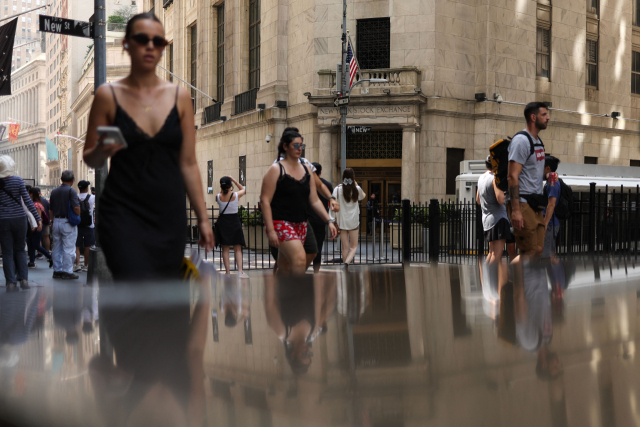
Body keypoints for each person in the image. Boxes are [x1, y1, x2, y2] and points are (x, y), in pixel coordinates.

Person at [83, 12, 213, 281]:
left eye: (159, 41)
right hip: (122, 214)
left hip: (168, 215)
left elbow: (188, 162)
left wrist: (202, 218)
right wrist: (104, 147)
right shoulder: (108, 95)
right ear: (127, 45)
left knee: (166, 302)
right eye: (142, 39)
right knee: (135, 290)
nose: (151, 46)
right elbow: (91, 158)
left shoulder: (180, 97)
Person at [260, 129, 337, 275]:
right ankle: (297, 295)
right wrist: (270, 230)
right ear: (285, 146)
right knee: (300, 259)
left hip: (300, 223)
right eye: (296, 145)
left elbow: (314, 200)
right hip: (280, 222)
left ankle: (279, 292)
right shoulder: (276, 169)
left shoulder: (307, 170)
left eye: (301, 145)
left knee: (286, 265)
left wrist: (329, 220)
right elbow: (265, 201)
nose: (299, 149)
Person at [507, 101, 549, 261]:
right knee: (529, 251)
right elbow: (512, 176)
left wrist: (547, 177)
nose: (548, 118)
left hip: (535, 203)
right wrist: (516, 210)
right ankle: (516, 284)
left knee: (537, 249)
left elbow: (531, 172)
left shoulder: (537, 142)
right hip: (523, 204)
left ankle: (521, 283)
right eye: (544, 114)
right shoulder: (521, 141)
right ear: (533, 117)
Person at [0, 155, 41, 290]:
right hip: (20, 219)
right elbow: (28, 202)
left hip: (3, 220)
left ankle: (10, 282)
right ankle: (24, 280)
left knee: (7, 252)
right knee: (20, 250)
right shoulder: (18, 180)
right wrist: (37, 218)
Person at [476, 155, 514, 287]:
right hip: (498, 219)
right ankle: (491, 283)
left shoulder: (481, 178)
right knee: (497, 255)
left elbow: (478, 200)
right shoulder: (495, 179)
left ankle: (487, 283)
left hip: (486, 220)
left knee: (491, 253)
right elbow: (501, 199)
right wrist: (507, 193)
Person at [329, 168, 366, 268]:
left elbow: (332, 204)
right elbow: (363, 196)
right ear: (353, 177)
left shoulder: (337, 189)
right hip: (353, 221)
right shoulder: (356, 189)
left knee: (345, 247)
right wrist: (356, 184)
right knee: (353, 246)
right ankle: (346, 264)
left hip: (342, 221)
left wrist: (332, 219)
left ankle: (346, 267)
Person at [49, 170, 81, 280]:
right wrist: (79, 215)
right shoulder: (71, 191)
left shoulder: (54, 191)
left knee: (57, 247)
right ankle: (67, 271)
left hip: (56, 221)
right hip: (68, 223)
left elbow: (51, 210)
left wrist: (52, 221)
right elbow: (76, 207)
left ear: (61, 179)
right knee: (69, 248)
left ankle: (57, 270)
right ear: (73, 180)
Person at [216, 176, 247, 277]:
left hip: (223, 223)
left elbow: (222, 193)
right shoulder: (236, 195)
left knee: (225, 249)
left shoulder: (218, 197)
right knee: (237, 248)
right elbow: (243, 190)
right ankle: (240, 271)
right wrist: (234, 180)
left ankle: (227, 272)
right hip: (234, 222)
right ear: (231, 185)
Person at [309, 162, 333, 273]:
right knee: (318, 246)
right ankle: (316, 269)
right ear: (321, 172)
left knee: (306, 245)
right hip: (321, 220)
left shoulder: (308, 184)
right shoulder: (327, 185)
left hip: (308, 219)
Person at [27, 188, 52, 269]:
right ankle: (31, 261)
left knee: (36, 244)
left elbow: (39, 216)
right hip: (32, 225)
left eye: (28, 193)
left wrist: (38, 225)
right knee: (30, 243)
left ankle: (49, 256)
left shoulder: (36, 204)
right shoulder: (35, 203)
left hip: (37, 226)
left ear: (31, 194)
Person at [542, 155, 561, 259]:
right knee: (548, 253)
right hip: (550, 223)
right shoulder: (551, 180)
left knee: (547, 254)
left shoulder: (552, 182)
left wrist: (545, 223)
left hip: (550, 224)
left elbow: (551, 204)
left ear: (547, 168)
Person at [74, 180, 95, 273]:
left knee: (77, 245)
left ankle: (77, 264)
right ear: (87, 188)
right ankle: (86, 265)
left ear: (79, 188)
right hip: (89, 225)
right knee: (88, 246)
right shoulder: (92, 197)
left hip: (77, 225)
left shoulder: (75, 197)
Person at [36, 188, 51, 254]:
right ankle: (47, 251)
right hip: (46, 221)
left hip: (38, 222)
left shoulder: (35, 202)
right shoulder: (45, 201)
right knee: (46, 236)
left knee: (39, 238)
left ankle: (40, 253)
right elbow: (49, 209)